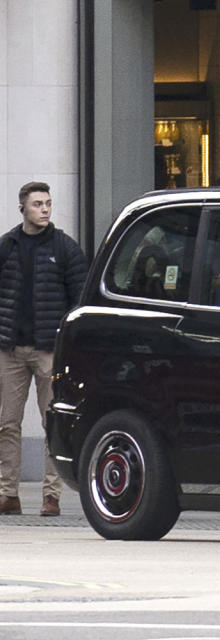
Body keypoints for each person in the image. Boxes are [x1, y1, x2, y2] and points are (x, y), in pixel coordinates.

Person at [0, 182, 88, 516]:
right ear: (22, 208)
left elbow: (79, 297)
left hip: (50, 349)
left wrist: (68, 342)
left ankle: (52, 496)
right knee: (7, 422)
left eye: (49, 203)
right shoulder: (7, 246)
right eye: (38, 204)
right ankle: (8, 493)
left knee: (52, 421)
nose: (45, 209)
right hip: (10, 349)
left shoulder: (65, 248)